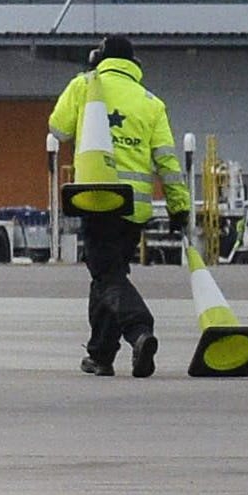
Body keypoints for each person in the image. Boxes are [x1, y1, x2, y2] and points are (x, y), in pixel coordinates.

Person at [49, 37, 192, 377]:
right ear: (134, 64)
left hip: (97, 199)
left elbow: (58, 128)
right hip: (134, 209)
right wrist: (179, 207)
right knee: (108, 275)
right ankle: (101, 355)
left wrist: (86, 79)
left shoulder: (85, 85)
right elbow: (167, 162)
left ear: (99, 58)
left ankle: (140, 329)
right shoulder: (151, 102)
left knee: (106, 275)